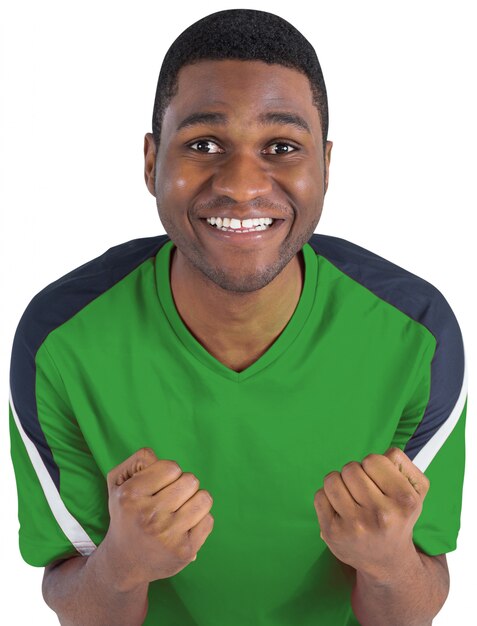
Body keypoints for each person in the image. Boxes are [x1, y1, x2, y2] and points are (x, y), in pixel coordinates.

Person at [8, 8, 467, 626]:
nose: (243, 185)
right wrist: (121, 564)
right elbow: (73, 597)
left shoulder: (418, 336)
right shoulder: (59, 343)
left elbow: (410, 610)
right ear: (151, 162)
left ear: (325, 165)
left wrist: (388, 564)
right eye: (204, 144)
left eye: (281, 147)